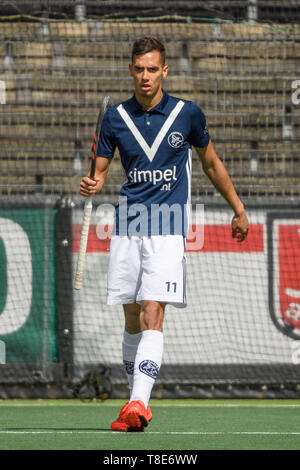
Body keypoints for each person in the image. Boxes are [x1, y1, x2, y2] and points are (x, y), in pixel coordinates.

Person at [79, 37, 249, 432]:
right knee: (133, 318)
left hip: (168, 227)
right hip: (127, 225)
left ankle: (139, 404)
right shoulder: (116, 117)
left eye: (152, 69)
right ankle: (133, 397)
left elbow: (211, 162)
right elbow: (99, 172)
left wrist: (238, 208)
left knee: (154, 309)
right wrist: (91, 183)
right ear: (130, 69)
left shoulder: (187, 114)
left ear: (164, 71)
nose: (145, 76)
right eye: (139, 68)